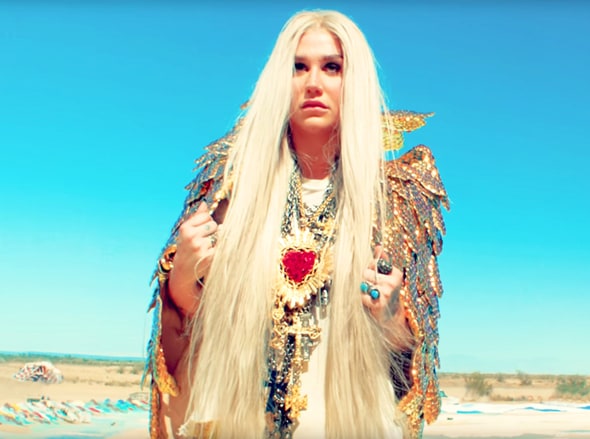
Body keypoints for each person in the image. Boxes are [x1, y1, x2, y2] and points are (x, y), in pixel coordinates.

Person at [144, 9, 449, 439]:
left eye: (332, 67)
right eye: (299, 67)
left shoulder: (394, 199)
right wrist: (180, 282)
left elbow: (414, 373)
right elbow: (181, 355)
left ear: (355, 80)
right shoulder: (228, 190)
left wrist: (391, 319)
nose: (313, 83)